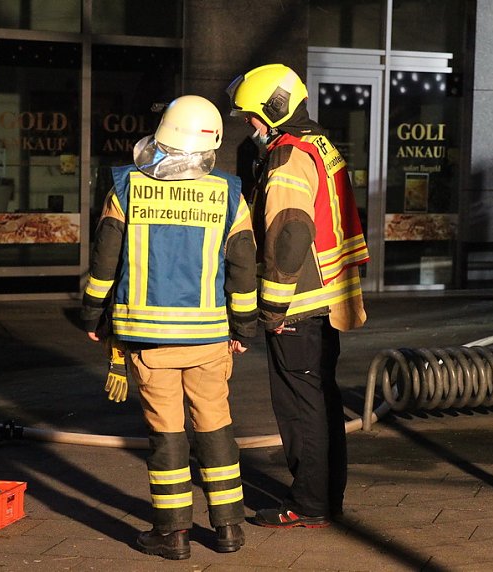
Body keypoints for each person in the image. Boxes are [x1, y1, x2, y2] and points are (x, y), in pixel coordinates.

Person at [81, 95, 258, 560]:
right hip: (209, 341)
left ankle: (174, 533)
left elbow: (105, 263)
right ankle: (229, 528)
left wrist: (92, 316)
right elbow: (243, 271)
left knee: (168, 436)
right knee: (216, 428)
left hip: (149, 340)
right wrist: (244, 329)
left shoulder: (127, 188)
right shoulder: (229, 194)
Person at [226, 64, 369, 528]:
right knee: (322, 403)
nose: (250, 126)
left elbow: (290, 232)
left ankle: (308, 505)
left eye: (252, 117)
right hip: (327, 299)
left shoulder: (288, 155)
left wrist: (270, 306)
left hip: (299, 306)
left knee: (300, 409)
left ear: (274, 110)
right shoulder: (321, 146)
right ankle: (326, 499)